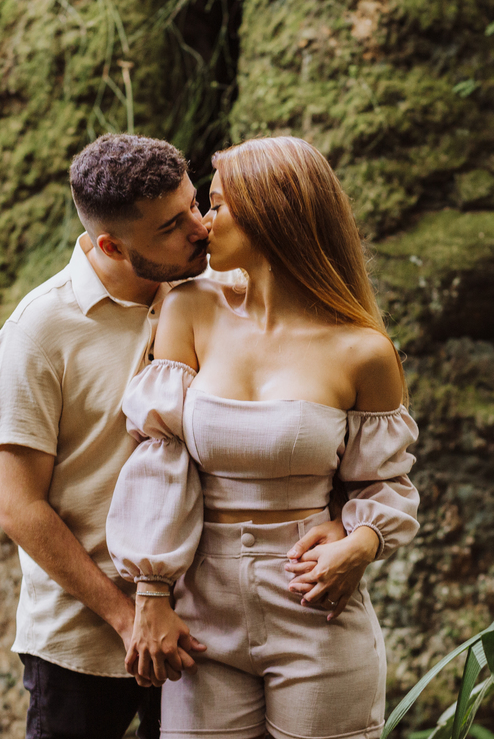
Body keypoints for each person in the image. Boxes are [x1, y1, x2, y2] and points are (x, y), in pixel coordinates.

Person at [0, 134, 348, 739]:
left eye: (194, 205)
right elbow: (18, 506)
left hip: (211, 626)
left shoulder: (221, 295)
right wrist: (126, 618)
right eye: (170, 227)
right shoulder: (38, 333)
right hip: (83, 642)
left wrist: (339, 517)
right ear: (111, 245)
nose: (200, 228)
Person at [106, 135, 421, 739]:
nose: (201, 224)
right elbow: (160, 458)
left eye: (216, 205)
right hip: (201, 616)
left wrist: (361, 541)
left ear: (272, 215)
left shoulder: (363, 350)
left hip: (314, 607)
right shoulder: (189, 309)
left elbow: (385, 482)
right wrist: (152, 590)